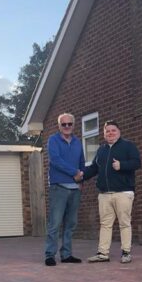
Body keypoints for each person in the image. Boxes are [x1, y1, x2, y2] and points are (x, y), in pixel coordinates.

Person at [82, 120, 141, 264]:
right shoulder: (101, 150)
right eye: (107, 131)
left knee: (124, 223)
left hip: (123, 192)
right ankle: (103, 253)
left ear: (119, 132)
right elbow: (94, 168)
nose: (110, 133)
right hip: (104, 194)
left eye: (113, 130)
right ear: (104, 133)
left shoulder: (128, 146)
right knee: (105, 224)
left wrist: (122, 165)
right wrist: (81, 176)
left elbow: (137, 163)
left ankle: (126, 253)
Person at [44, 113, 85, 266]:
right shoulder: (53, 140)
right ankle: (50, 255)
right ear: (59, 126)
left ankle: (66, 254)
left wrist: (82, 179)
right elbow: (56, 161)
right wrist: (74, 173)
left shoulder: (77, 142)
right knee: (55, 223)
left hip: (75, 189)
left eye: (69, 124)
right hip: (59, 187)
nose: (67, 127)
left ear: (73, 125)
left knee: (71, 223)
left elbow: (82, 161)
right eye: (64, 124)